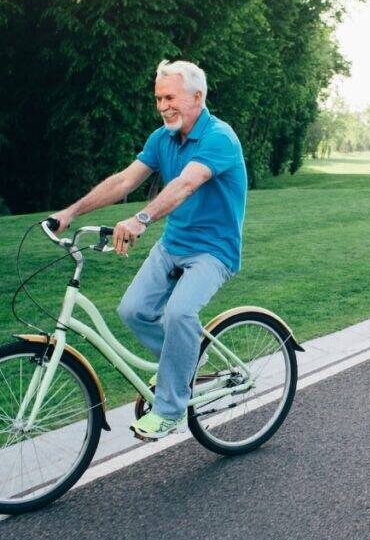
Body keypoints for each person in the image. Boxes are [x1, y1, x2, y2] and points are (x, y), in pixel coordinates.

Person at [49, 59, 247, 439]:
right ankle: (183, 363)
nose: (163, 106)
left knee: (179, 313)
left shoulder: (219, 137)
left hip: (214, 250)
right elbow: (124, 180)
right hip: (173, 244)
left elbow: (187, 184)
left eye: (170, 97)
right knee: (133, 310)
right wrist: (70, 212)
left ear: (197, 96)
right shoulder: (162, 139)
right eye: (158, 98)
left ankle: (171, 410)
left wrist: (141, 219)